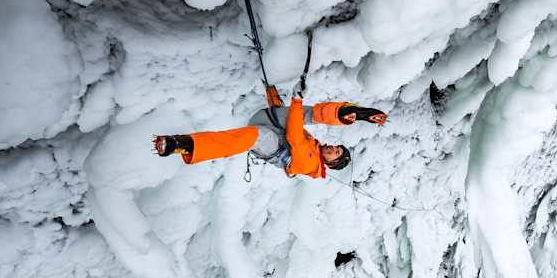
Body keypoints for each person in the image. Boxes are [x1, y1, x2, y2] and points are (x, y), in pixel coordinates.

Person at [153, 97, 386, 179]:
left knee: (254, 136)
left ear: (330, 163)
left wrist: (295, 102)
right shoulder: (313, 147)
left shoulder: (309, 162)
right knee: (307, 114)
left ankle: (185, 145)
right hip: (270, 120)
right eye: (337, 146)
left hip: (270, 142)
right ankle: (345, 113)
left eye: (335, 152)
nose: (333, 147)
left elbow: (294, 135)